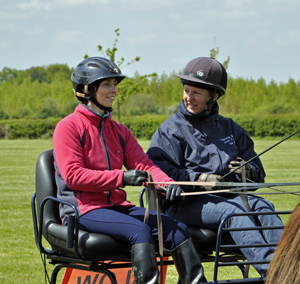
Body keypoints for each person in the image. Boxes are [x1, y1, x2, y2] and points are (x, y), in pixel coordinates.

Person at [53, 57, 207, 284]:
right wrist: (121, 177)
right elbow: (74, 176)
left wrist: (168, 185)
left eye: (115, 84)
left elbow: (144, 165)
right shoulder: (68, 127)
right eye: (107, 84)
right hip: (83, 211)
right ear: (86, 90)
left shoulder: (120, 131)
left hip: (117, 207)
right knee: (140, 231)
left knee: (177, 228)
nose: (114, 90)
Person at [147, 56, 284, 278]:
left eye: (197, 93)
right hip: (183, 205)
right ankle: (273, 272)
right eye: (187, 90)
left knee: (264, 206)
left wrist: (248, 171)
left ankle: (289, 265)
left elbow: (257, 172)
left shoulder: (230, 128)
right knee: (234, 212)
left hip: (227, 198)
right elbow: (162, 173)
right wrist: (200, 179)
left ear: (215, 96)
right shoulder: (170, 130)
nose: (189, 98)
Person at [265, 203, 300, 284]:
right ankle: (269, 266)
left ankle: (277, 260)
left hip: (245, 196)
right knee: (237, 211)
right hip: (230, 200)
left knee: (264, 205)